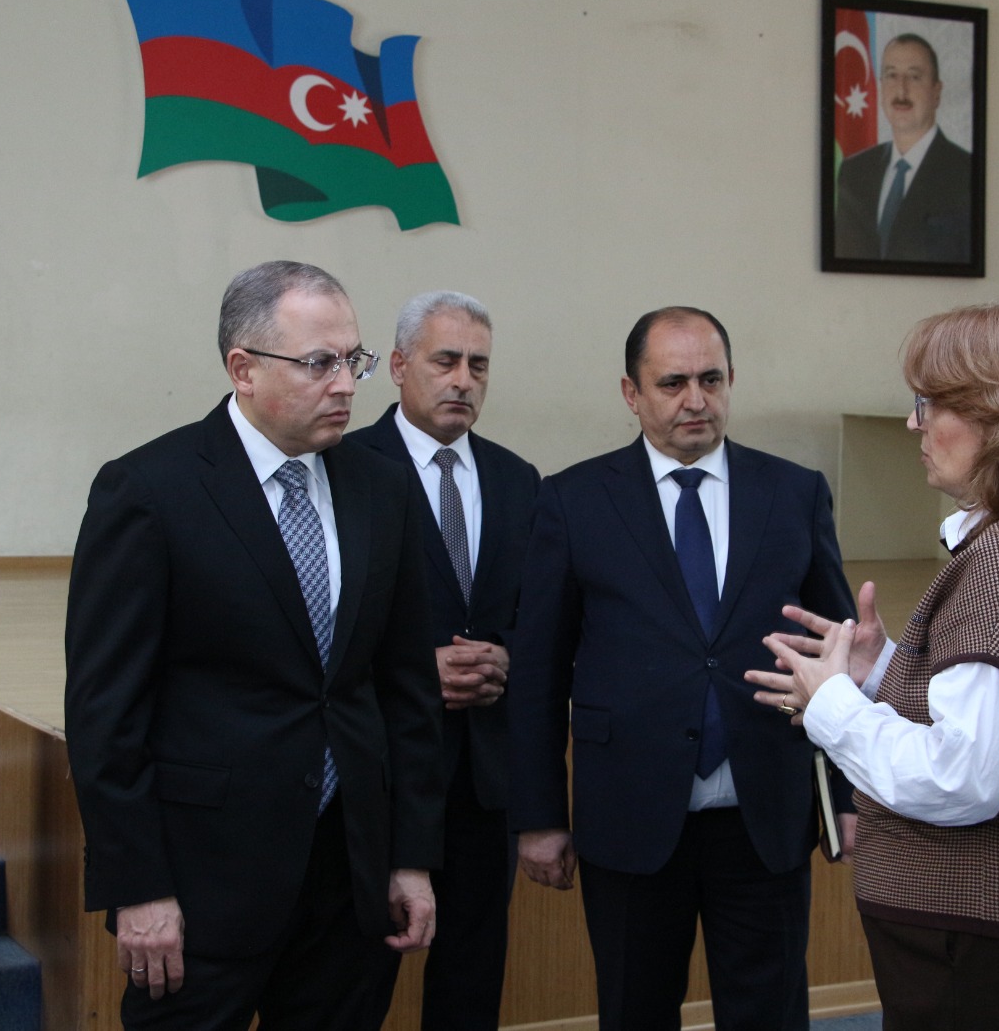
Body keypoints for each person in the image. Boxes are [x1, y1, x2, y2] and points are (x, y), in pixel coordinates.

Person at [64, 261, 445, 1030]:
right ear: (243, 368)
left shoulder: (383, 488)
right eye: (319, 363)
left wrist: (409, 856)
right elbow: (106, 714)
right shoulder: (150, 491)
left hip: (349, 882)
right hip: (202, 888)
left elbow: (406, 689)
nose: (345, 384)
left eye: (354, 360)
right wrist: (137, 888)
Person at [747, 298, 999, 1031]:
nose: (914, 425)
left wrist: (833, 706)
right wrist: (882, 672)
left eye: (930, 404)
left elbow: (962, 777)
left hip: (986, 944)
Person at [508, 306, 855, 1031]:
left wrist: (844, 798)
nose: (695, 400)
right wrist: (539, 816)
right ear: (631, 394)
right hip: (629, 814)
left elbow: (837, 653)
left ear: (731, 382)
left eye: (710, 380)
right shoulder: (572, 501)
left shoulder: (795, 493)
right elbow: (539, 673)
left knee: (770, 1014)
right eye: (672, 383)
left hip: (764, 814)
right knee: (635, 1010)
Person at [346, 291, 540, 1031]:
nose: (463, 380)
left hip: (485, 779)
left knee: (471, 980)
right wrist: (413, 668)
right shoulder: (343, 467)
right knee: (354, 983)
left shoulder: (518, 479)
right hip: (381, 774)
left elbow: (543, 615)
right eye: (445, 361)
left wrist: (508, 657)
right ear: (399, 367)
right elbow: (317, 628)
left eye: (478, 366)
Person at [834, 32, 973, 264]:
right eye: (891, 75)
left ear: (936, 92)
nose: (901, 91)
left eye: (914, 77)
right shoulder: (854, 172)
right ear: (880, 87)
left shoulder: (967, 173)